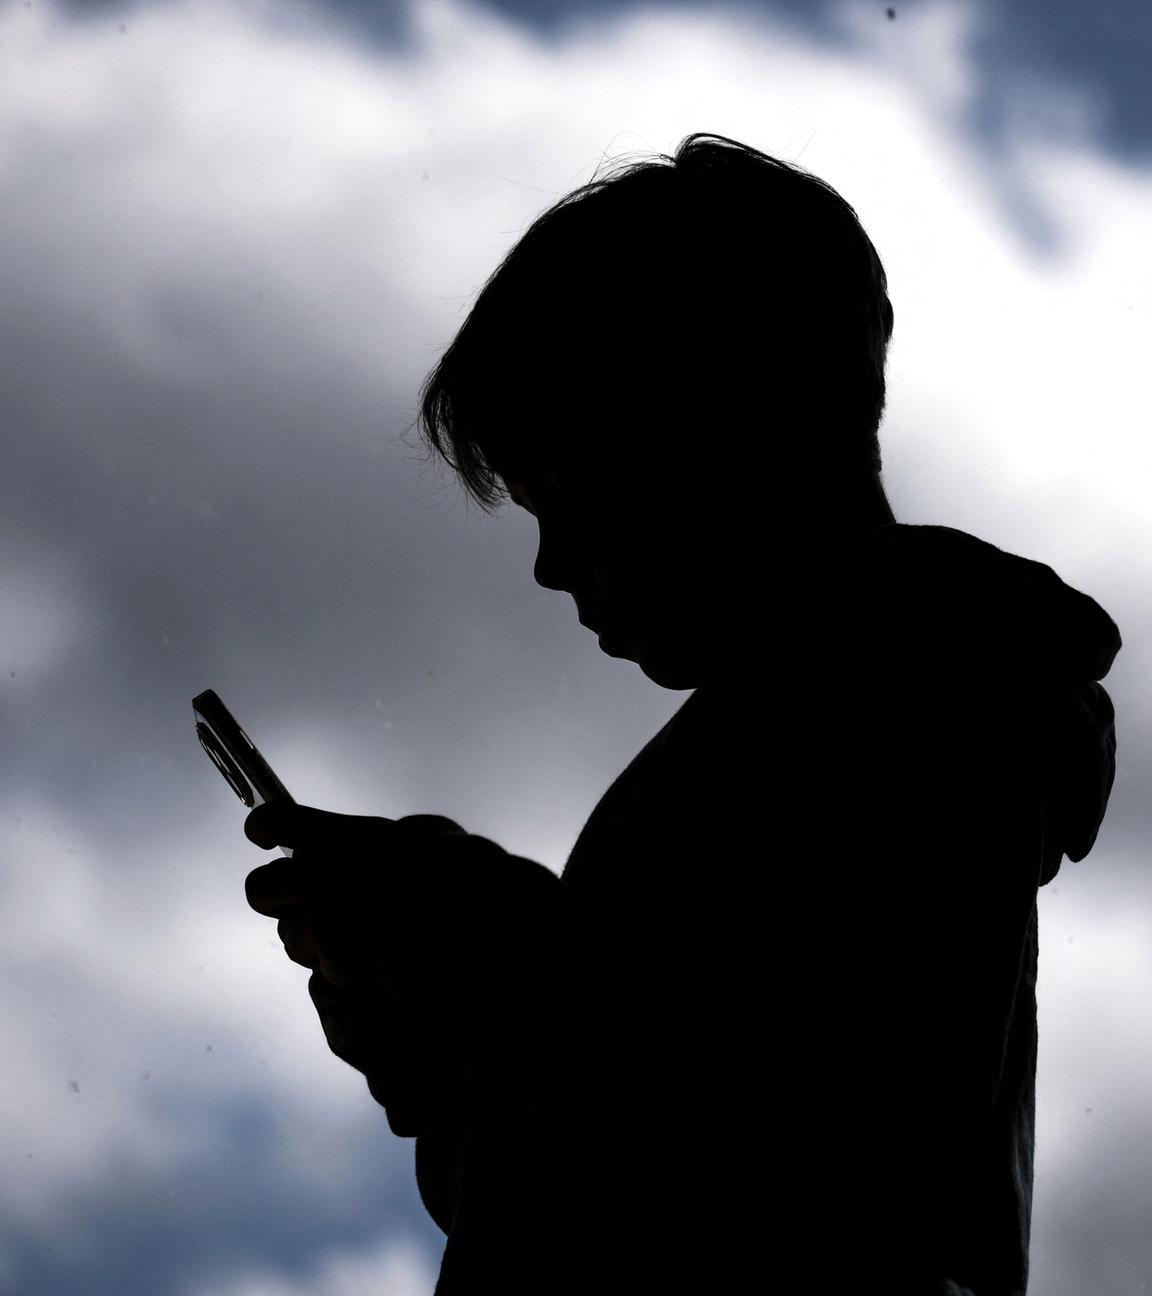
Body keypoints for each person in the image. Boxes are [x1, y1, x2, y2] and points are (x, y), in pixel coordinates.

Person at [243, 134, 1122, 1294]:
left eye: (567, 498)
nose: (551, 568)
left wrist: (494, 957)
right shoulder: (870, 705)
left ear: (710, 441)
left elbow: (782, 1166)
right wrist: (449, 1055)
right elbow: (661, 1165)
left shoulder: (889, 718)